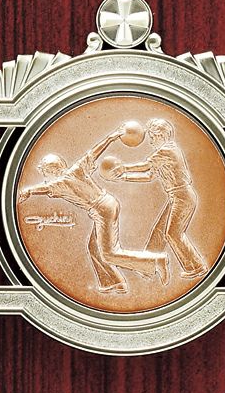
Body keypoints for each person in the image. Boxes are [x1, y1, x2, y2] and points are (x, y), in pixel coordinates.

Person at [18, 131, 169, 294]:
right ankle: (114, 283)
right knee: (94, 248)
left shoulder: (60, 182)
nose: (45, 177)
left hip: (102, 210)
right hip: (107, 203)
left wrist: (29, 191)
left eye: (45, 173)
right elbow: (94, 152)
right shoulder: (77, 168)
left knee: (110, 254)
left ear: (53, 171)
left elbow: (44, 187)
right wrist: (111, 137)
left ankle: (155, 262)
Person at [109, 118, 208, 280]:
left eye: (152, 137)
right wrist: (124, 177)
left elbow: (145, 166)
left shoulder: (167, 150)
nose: (150, 141)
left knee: (173, 234)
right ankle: (147, 266)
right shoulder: (163, 155)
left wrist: (122, 167)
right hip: (177, 196)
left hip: (182, 196)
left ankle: (196, 266)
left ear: (161, 135)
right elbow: (149, 175)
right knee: (159, 232)